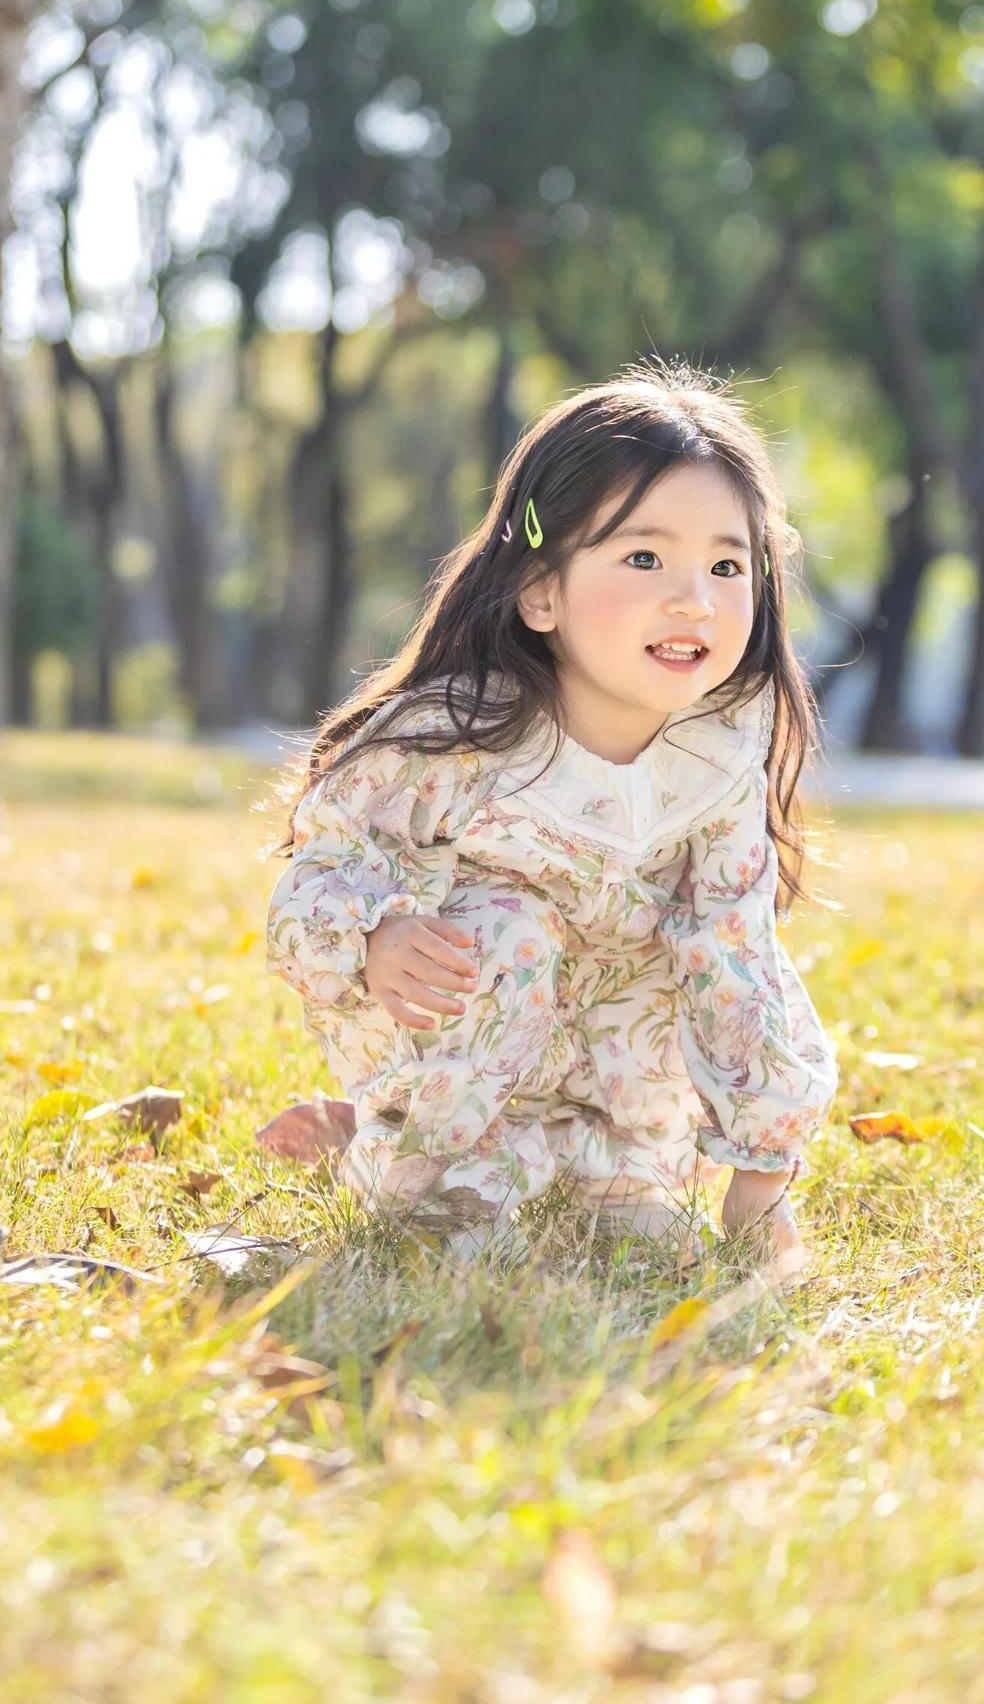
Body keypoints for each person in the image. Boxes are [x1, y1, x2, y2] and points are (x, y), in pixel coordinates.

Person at [262, 360, 839, 1269]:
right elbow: (314, 882)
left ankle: (607, 1175)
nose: (694, 595)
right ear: (541, 590)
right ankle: (424, 1166)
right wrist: (372, 937)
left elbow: (737, 956)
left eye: (727, 563)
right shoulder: (452, 741)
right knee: (510, 930)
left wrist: (761, 1179)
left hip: (615, 1086)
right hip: (461, 1046)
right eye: (644, 556)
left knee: (699, 960)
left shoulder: (717, 754)